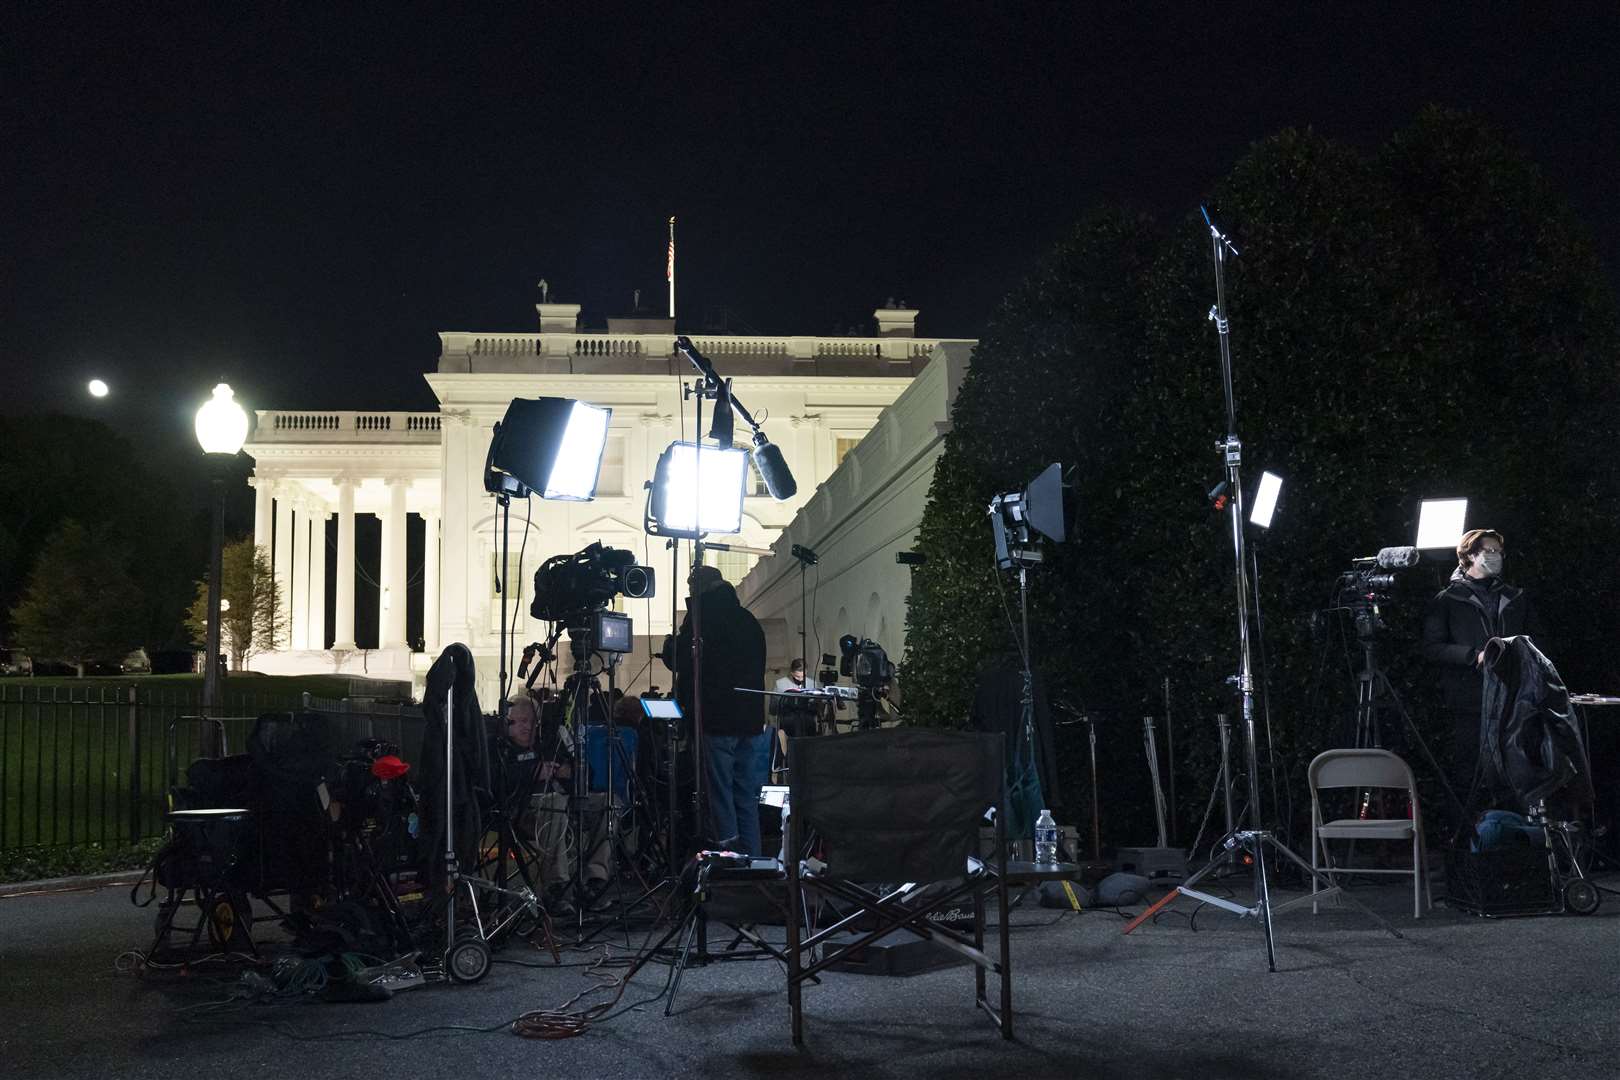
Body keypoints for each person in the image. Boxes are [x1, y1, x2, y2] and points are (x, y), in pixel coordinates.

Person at [1421, 528, 1546, 798]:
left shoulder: (1515, 597)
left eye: (1499, 552)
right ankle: (1474, 832)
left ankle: (1514, 829)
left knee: (1517, 768)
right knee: (1469, 770)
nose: (1496, 556)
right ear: (1469, 555)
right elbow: (1432, 648)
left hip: (1514, 698)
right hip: (1470, 701)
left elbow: (1537, 642)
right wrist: (1473, 656)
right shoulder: (1448, 600)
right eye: (1489, 551)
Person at [669, 564, 768, 854]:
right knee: (745, 796)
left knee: (719, 796)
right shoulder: (748, 620)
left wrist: (670, 647)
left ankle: (730, 859)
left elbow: (683, 660)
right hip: (750, 722)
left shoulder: (702, 619)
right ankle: (753, 857)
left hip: (716, 720)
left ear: (698, 588)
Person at [770, 658, 822, 738]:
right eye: (797, 677)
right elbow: (773, 709)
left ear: (806, 671)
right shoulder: (780, 684)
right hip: (788, 725)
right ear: (791, 672)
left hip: (808, 725)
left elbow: (818, 707)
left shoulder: (812, 684)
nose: (801, 679)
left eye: (803, 676)